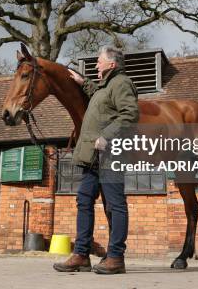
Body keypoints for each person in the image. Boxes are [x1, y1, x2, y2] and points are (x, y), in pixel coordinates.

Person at [53, 46, 139, 274]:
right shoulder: (105, 86)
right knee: (84, 200)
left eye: (99, 61)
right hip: (93, 155)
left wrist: (107, 136)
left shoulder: (122, 83)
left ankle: (116, 258)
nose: (96, 64)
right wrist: (83, 82)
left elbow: (130, 114)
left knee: (115, 204)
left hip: (111, 153)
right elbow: (100, 97)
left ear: (112, 64)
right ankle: (81, 254)